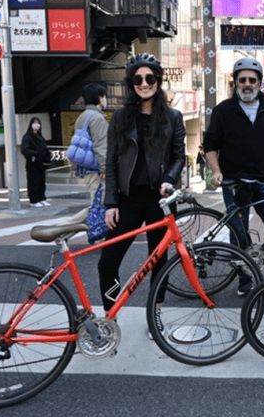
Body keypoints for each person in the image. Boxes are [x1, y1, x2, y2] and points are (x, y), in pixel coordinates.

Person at [98, 53, 185, 337]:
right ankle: (110, 316)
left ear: (158, 81)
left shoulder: (172, 117)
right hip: (128, 201)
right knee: (108, 262)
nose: (144, 83)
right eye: (138, 78)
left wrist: (169, 179)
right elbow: (110, 163)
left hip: (159, 200)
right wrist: (111, 202)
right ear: (131, 83)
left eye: (150, 78)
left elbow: (178, 156)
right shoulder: (121, 118)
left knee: (158, 261)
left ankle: (155, 314)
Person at [204, 57, 264, 291]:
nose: (247, 84)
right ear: (235, 82)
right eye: (242, 80)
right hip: (235, 183)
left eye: (252, 80)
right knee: (238, 234)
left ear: (260, 82)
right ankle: (245, 281)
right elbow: (210, 145)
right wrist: (216, 171)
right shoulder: (223, 111)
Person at [70, 83, 109, 223]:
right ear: (99, 98)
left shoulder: (83, 116)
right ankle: (62, 229)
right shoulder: (97, 118)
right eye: (105, 96)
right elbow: (100, 145)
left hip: (86, 166)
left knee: (98, 203)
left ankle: (63, 230)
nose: (106, 99)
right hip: (95, 168)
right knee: (97, 204)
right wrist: (105, 167)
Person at [21, 117, 51, 208]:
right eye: (34, 123)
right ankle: (34, 200)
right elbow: (24, 150)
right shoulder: (27, 137)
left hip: (41, 163)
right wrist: (35, 153)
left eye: (38, 123)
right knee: (33, 181)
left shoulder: (40, 136)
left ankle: (41, 198)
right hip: (32, 163)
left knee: (41, 181)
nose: (36, 125)